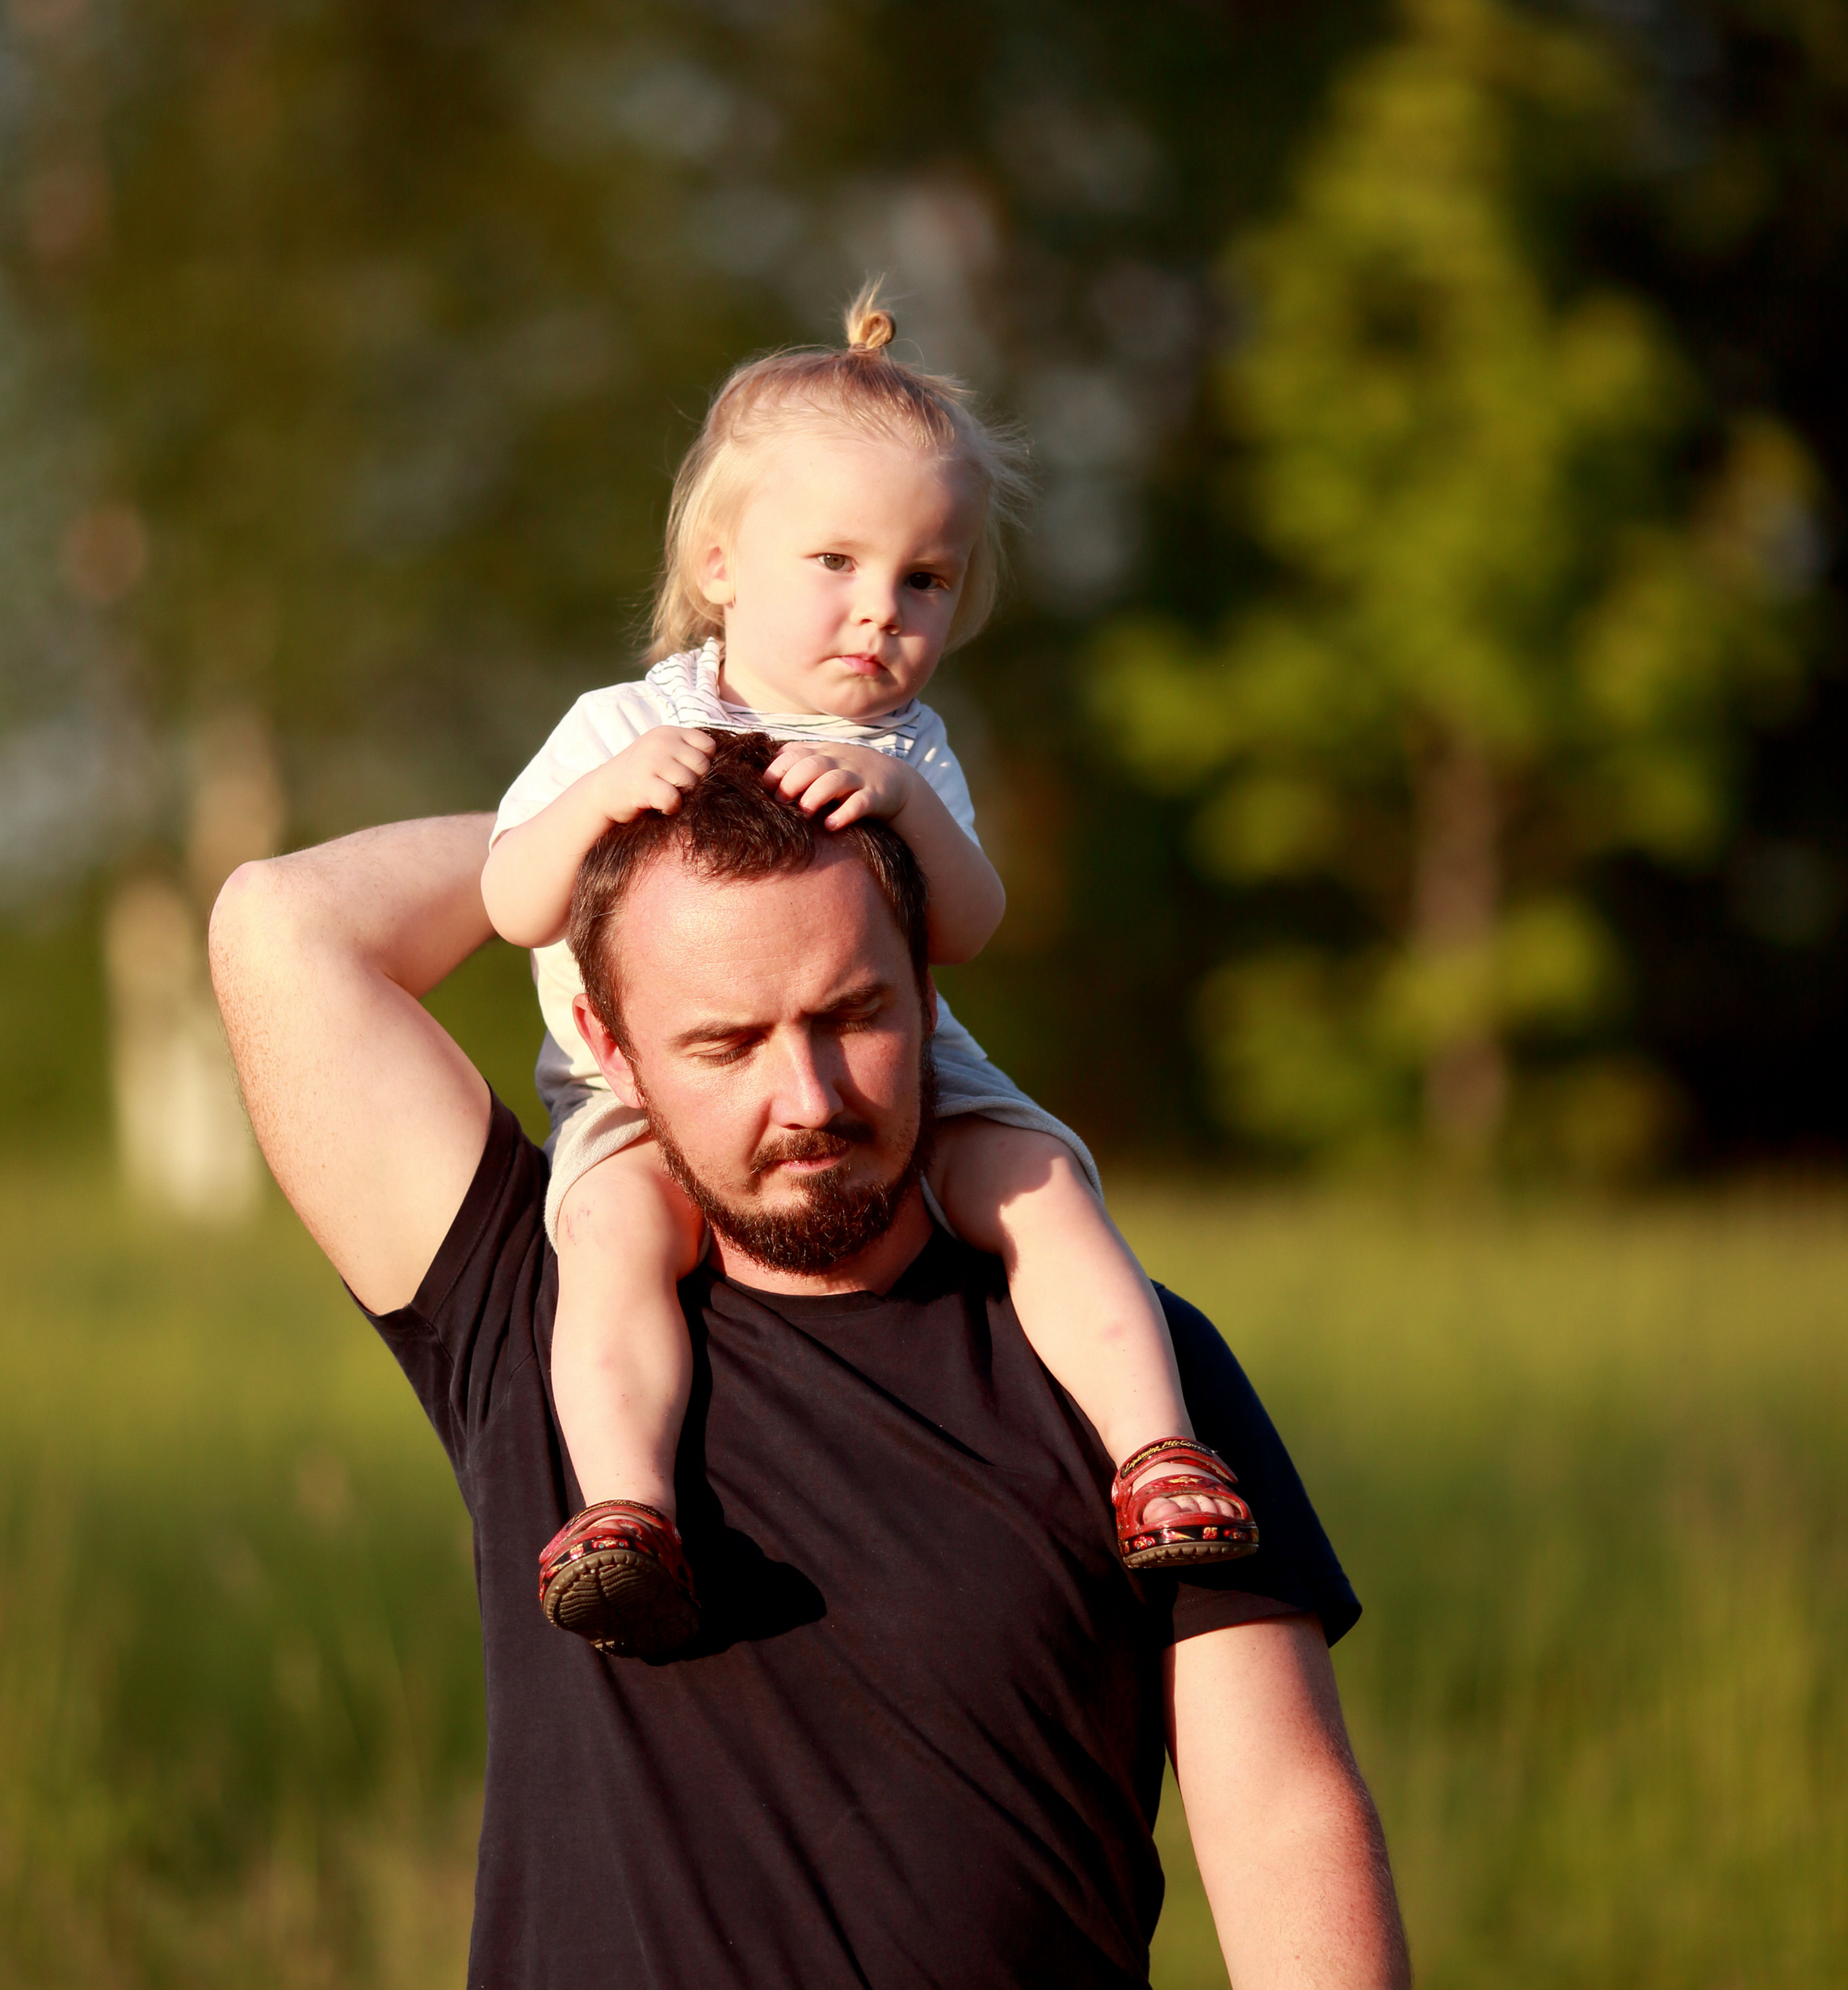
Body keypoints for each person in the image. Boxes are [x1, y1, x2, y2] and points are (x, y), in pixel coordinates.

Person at [209, 737, 1413, 1988]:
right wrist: (631, 781)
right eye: (726, 1045)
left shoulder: (1123, 1366)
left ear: (930, 991)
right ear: (608, 1049)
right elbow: (279, 927)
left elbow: (1279, 1820)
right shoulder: (529, 1313)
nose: (811, 1096)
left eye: (853, 1014)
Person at [480, 285, 1250, 1656]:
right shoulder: (625, 722)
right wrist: (597, 806)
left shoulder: (911, 746)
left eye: (925, 580)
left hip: (900, 1058)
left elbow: (968, 926)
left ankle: (1158, 1453)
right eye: (834, 562)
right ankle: (626, 1509)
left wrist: (900, 806)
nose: (880, 614)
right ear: (720, 566)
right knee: (614, 1242)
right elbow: (507, 892)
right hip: (646, 1087)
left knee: (1045, 1183)